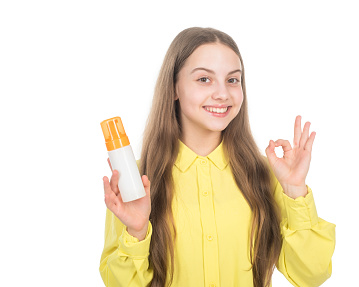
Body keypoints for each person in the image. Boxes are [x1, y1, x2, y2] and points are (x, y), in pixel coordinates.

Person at [99, 27, 336, 287]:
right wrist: (136, 232)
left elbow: (310, 275)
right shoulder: (137, 181)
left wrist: (294, 190)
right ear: (174, 88)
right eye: (204, 79)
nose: (223, 93)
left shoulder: (266, 176)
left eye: (233, 80)